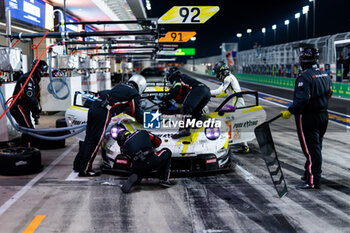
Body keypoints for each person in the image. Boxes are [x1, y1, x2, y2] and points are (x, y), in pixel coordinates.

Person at [73, 74, 147, 177]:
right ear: (141, 86)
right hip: (103, 111)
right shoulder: (134, 93)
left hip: (94, 107)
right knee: (95, 142)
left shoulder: (121, 86)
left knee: (88, 138)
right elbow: (136, 113)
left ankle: (77, 165)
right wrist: (146, 122)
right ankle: (85, 170)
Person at [280, 47, 332, 190]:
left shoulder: (305, 77)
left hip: (307, 117)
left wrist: (290, 111)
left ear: (303, 60)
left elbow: (302, 100)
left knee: (311, 151)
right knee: (316, 147)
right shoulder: (324, 74)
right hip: (323, 115)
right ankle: (308, 172)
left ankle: (313, 180)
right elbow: (329, 93)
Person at [116, 126, 174, 193]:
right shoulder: (142, 132)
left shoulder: (123, 148)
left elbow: (127, 160)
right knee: (167, 151)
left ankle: (135, 177)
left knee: (137, 169)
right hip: (151, 160)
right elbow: (158, 141)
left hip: (137, 165)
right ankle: (164, 179)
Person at [211, 61, 249, 153]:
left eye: (217, 72)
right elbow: (221, 92)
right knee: (236, 124)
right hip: (237, 102)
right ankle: (244, 146)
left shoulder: (228, 79)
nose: (217, 74)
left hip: (236, 102)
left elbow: (220, 92)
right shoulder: (229, 77)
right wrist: (209, 94)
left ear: (221, 71)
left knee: (226, 122)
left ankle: (224, 144)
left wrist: (207, 93)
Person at [163, 67, 211, 139]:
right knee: (194, 111)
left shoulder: (176, 78)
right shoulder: (184, 77)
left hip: (198, 90)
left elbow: (177, 90)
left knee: (186, 108)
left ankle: (185, 129)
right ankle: (201, 118)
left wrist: (167, 97)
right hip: (206, 91)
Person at [10, 59, 48, 147]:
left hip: (24, 107)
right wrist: (36, 106)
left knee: (28, 130)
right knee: (29, 130)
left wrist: (36, 112)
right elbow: (29, 97)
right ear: (36, 69)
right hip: (18, 107)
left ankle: (26, 149)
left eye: (43, 71)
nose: (42, 73)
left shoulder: (35, 81)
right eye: (41, 71)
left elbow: (35, 98)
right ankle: (26, 152)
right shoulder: (27, 78)